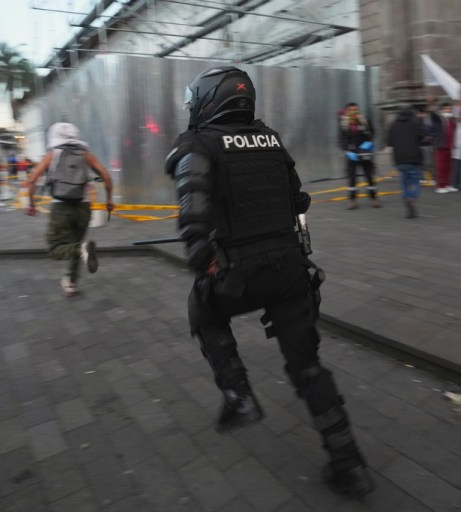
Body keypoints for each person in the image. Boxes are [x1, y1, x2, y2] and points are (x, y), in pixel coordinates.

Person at [165, 66, 374, 497]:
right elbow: (298, 199)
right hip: (290, 270)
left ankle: (239, 395)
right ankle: (348, 463)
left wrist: (202, 261)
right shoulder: (270, 139)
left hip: (240, 271)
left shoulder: (199, 145)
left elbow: (193, 214)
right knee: (308, 367)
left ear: (210, 100)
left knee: (202, 310)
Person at [24, 122, 114, 297]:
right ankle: (71, 282)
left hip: (60, 207)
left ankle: (80, 253)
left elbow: (32, 179)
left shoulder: (53, 154)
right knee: (77, 243)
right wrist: (109, 199)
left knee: (56, 248)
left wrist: (31, 204)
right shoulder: (86, 155)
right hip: (83, 207)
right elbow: (106, 176)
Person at [339, 102, 379, 209]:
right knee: (352, 178)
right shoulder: (344, 123)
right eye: (351, 110)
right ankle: (352, 201)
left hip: (364, 153)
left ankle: (373, 198)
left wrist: (369, 143)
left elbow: (372, 132)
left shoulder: (364, 120)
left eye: (355, 110)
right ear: (348, 111)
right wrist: (346, 150)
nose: (354, 112)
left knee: (369, 176)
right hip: (352, 154)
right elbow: (341, 139)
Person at [388, 105, 426, 218]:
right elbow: (422, 136)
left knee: (404, 182)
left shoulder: (393, 125)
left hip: (399, 159)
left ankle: (406, 198)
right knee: (415, 181)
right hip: (414, 158)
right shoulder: (415, 122)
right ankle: (412, 197)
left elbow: (390, 142)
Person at [430, 102, 457, 193]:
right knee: (441, 167)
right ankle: (440, 186)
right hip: (441, 147)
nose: (449, 110)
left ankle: (447, 184)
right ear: (442, 110)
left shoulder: (452, 120)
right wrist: (430, 104)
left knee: (448, 168)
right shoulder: (439, 119)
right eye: (446, 109)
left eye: (450, 109)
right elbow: (433, 114)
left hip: (450, 147)